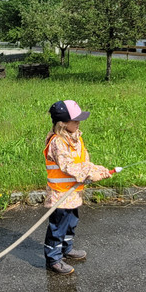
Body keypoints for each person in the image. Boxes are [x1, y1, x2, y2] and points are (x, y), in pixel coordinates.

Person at [43, 100, 114, 275]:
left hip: (73, 193)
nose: (78, 123)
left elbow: (83, 163)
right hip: (60, 194)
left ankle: (66, 249)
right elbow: (68, 166)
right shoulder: (57, 142)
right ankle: (54, 259)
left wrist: (99, 170)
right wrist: (89, 175)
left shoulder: (76, 138)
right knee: (58, 227)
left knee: (71, 223)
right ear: (62, 123)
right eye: (75, 121)